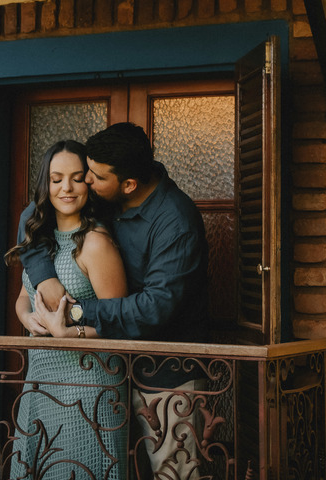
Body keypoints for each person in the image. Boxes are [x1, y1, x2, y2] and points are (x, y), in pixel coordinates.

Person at [18, 123, 209, 480]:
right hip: (112, 371)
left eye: (93, 176)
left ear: (129, 184)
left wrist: (75, 312)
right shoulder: (105, 195)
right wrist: (45, 280)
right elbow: (33, 213)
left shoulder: (176, 222)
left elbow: (153, 309)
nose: (85, 181)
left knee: (174, 474)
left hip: (165, 377)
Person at [4, 140, 129, 480]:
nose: (67, 188)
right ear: (45, 185)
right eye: (57, 179)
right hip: (41, 380)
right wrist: (27, 317)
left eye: (76, 178)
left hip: (88, 384)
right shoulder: (39, 240)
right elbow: (23, 296)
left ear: (89, 183)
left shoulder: (95, 243)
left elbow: (119, 324)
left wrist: (70, 332)